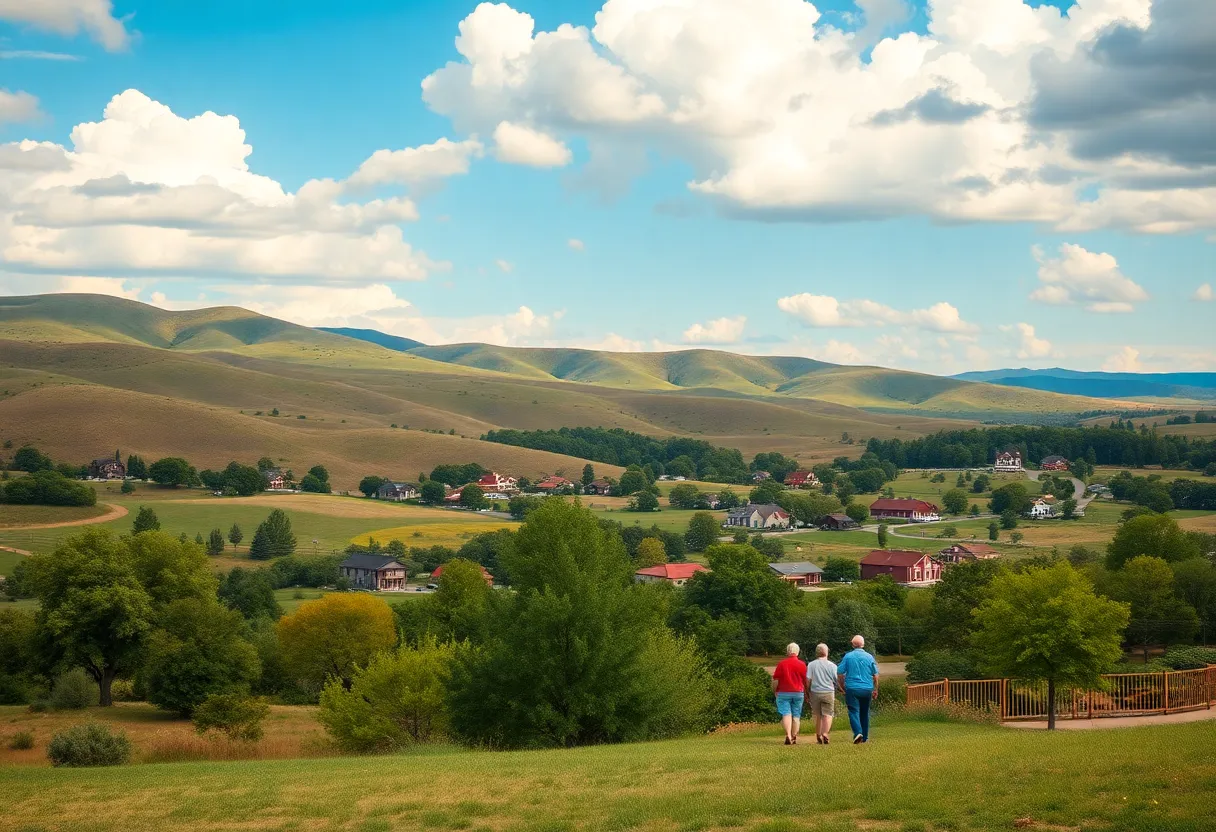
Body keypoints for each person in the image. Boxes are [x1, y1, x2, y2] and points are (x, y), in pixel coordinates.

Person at [836, 634, 879, 744]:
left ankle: (858, 732)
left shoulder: (848, 656)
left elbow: (840, 672)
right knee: (864, 712)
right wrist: (875, 689)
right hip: (867, 689)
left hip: (852, 688)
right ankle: (864, 737)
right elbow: (875, 675)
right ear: (863, 644)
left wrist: (842, 686)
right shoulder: (869, 657)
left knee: (853, 711)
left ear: (853, 644)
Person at [771, 642, 807, 745]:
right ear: (798, 652)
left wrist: (775, 691)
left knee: (786, 714)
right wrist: (807, 692)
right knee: (796, 715)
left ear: (787, 651)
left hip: (783, 692)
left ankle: (788, 734)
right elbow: (805, 680)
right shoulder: (802, 664)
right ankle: (794, 736)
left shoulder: (782, 664)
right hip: (798, 692)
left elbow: (775, 679)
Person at [805, 643, 837, 744]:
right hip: (828, 692)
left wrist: (807, 692)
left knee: (818, 715)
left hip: (815, 692)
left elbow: (807, 680)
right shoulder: (832, 665)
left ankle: (818, 735)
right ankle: (825, 733)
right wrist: (842, 689)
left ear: (817, 653)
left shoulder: (811, 665)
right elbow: (836, 680)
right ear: (826, 652)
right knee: (828, 714)